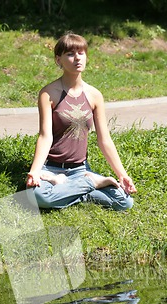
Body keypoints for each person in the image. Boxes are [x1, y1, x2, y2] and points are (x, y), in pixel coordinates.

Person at [26, 32, 137, 211]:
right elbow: (45, 136)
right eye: (70, 54)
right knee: (37, 197)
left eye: (81, 53)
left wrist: (122, 175)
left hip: (80, 169)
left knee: (125, 202)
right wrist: (35, 171)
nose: (77, 58)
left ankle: (72, 188)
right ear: (58, 60)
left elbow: (105, 140)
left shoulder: (94, 95)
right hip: (52, 169)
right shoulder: (48, 94)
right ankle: (89, 183)